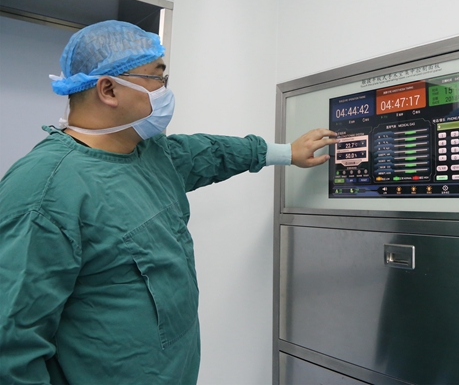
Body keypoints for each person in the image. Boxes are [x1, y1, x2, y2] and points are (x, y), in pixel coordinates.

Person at [0, 20, 336, 384]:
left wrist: (286, 153)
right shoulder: (44, 191)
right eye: (157, 78)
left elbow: (212, 153)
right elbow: (11, 345)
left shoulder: (151, 155)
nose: (165, 90)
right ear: (108, 89)